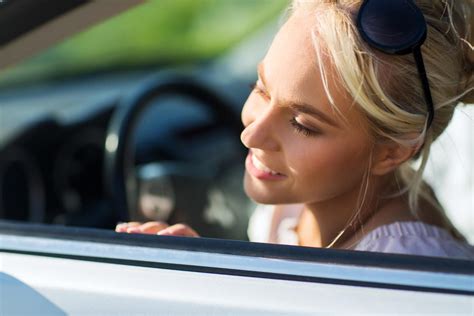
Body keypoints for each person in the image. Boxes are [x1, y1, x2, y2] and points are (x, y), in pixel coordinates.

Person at [116, 0, 474, 259]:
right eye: (261, 87)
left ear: (392, 151)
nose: (251, 135)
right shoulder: (298, 202)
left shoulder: (402, 275)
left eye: (302, 125)